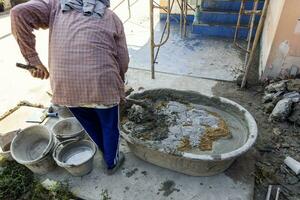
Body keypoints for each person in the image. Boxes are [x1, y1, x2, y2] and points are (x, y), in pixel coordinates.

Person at [11, 0, 129, 174]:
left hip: (66, 87)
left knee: (89, 122)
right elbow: (123, 59)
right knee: (110, 126)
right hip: (102, 84)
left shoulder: (56, 6)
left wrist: (33, 61)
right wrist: (119, 84)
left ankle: (104, 150)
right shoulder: (111, 17)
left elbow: (18, 13)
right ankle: (111, 163)